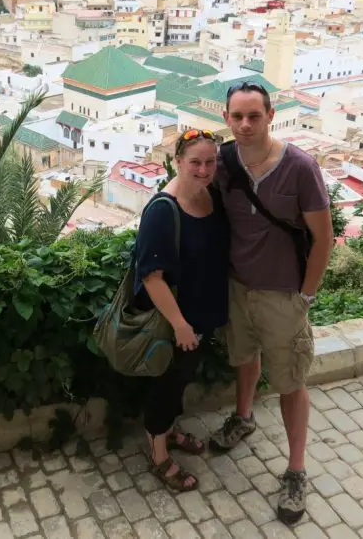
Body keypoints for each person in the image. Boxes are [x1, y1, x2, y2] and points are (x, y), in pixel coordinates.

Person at [210, 82, 333, 525]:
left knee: (290, 382)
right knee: (244, 359)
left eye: (253, 116)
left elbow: (324, 238)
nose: (245, 125)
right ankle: (243, 417)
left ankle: (296, 469)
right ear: (226, 117)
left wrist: (306, 296)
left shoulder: (300, 167)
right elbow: (186, 181)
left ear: (270, 115)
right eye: (237, 116)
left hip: (284, 295)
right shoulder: (223, 161)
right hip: (238, 286)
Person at [134, 128, 229, 492]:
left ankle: (169, 432)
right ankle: (158, 453)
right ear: (177, 163)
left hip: (200, 317)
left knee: (180, 380)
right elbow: (152, 277)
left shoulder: (209, 197)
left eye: (210, 162)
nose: (204, 170)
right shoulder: (163, 210)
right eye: (195, 163)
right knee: (166, 384)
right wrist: (179, 325)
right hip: (174, 323)